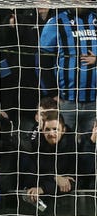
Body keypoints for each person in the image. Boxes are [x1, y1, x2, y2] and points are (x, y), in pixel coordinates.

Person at [40, 8, 97, 138]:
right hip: (66, 102)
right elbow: (42, 60)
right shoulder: (57, 22)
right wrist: (51, 93)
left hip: (95, 102)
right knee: (66, 146)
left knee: (90, 148)